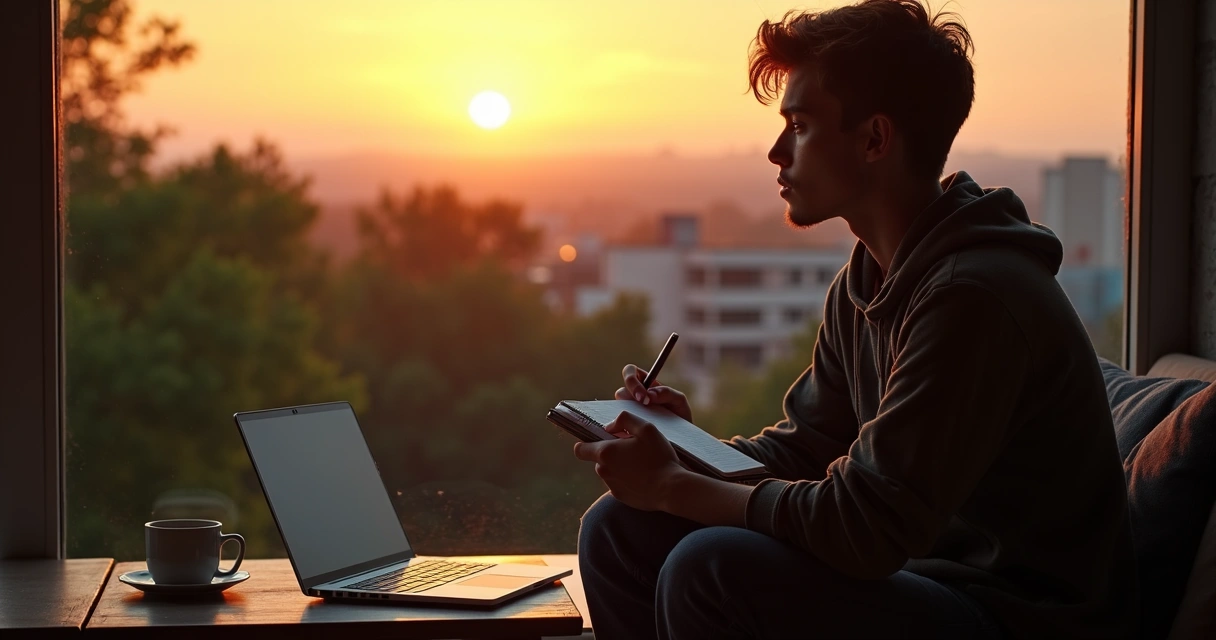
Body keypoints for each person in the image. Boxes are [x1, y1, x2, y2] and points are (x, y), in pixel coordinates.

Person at [570, 1, 1138, 638]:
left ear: (874, 139)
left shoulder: (975, 297)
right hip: (921, 581)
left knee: (712, 567)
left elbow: (865, 528)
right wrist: (684, 451)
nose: (775, 151)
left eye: (802, 125)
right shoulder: (868, 280)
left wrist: (676, 488)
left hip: (1013, 612)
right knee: (618, 528)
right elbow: (810, 448)